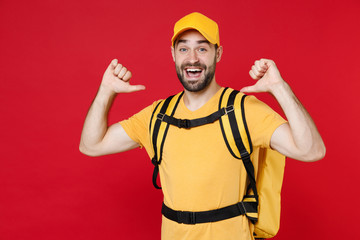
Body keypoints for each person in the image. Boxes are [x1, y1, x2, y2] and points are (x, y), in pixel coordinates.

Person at [79, 12, 325, 240]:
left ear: (218, 53)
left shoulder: (244, 110)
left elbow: (311, 150)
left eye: (202, 48)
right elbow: (91, 145)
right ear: (173, 54)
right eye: (184, 48)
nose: (192, 58)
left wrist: (280, 89)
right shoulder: (157, 116)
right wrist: (106, 92)